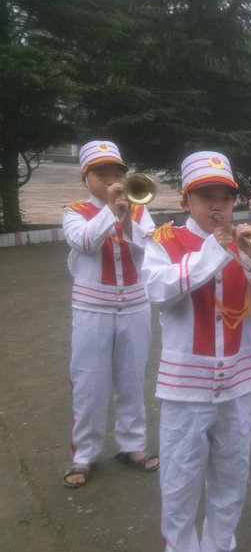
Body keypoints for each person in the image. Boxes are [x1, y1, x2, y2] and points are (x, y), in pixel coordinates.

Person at [142, 151, 251, 552]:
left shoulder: (249, 240)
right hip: (185, 388)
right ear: (186, 200)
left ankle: (220, 545)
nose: (218, 206)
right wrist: (214, 249)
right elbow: (158, 290)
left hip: (241, 382)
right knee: (179, 483)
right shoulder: (164, 241)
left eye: (226, 197)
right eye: (206, 196)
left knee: (231, 478)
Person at [62, 140, 158, 488]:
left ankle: (132, 445)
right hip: (92, 309)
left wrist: (127, 216)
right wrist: (111, 211)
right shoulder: (74, 212)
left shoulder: (138, 209)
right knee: (89, 383)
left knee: (132, 379)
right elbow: (85, 242)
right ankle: (84, 454)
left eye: (117, 174)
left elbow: (149, 247)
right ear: (85, 178)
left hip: (135, 305)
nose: (111, 181)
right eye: (101, 174)